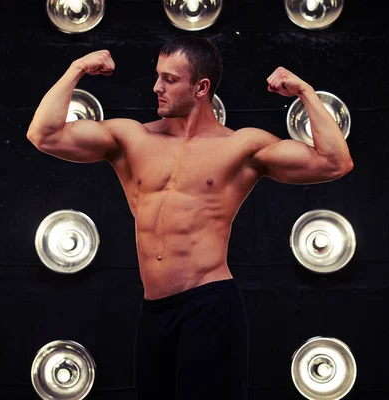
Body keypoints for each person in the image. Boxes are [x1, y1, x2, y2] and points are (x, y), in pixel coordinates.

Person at [27, 36, 353, 400]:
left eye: (169, 79)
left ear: (201, 87)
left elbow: (335, 162)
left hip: (210, 306)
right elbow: (44, 134)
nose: (156, 87)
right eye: (157, 76)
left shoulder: (241, 146)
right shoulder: (132, 138)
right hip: (153, 311)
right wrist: (77, 69)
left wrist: (304, 91)